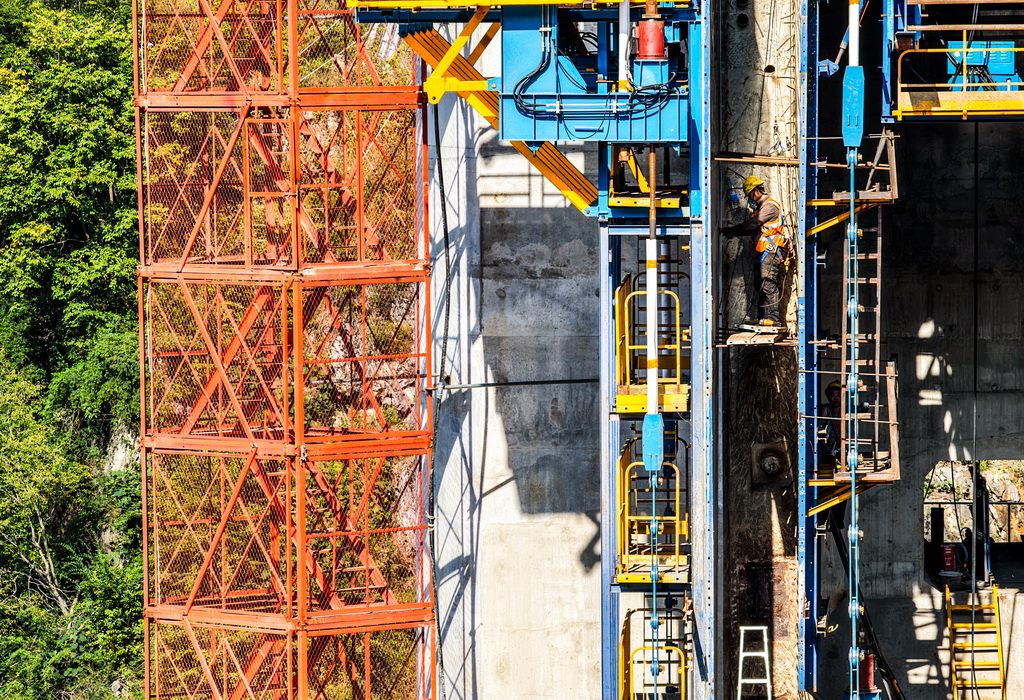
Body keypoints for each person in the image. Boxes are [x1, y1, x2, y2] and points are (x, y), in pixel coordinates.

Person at [720, 175, 794, 327]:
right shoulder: (761, 208)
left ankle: (773, 319)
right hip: (765, 251)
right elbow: (753, 230)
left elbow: (753, 224)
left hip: (771, 251)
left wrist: (733, 229)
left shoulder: (769, 207)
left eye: (750, 196)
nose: (750, 199)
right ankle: (764, 318)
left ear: (756, 192)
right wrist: (731, 232)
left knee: (767, 283)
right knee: (759, 284)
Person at [820, 380, 842, 465]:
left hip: (842, 449)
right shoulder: (823, 410)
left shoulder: (848, 412)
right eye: (833, 395)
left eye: (838, 395)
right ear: (828, 396)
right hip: (826, 450)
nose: (835, 398)